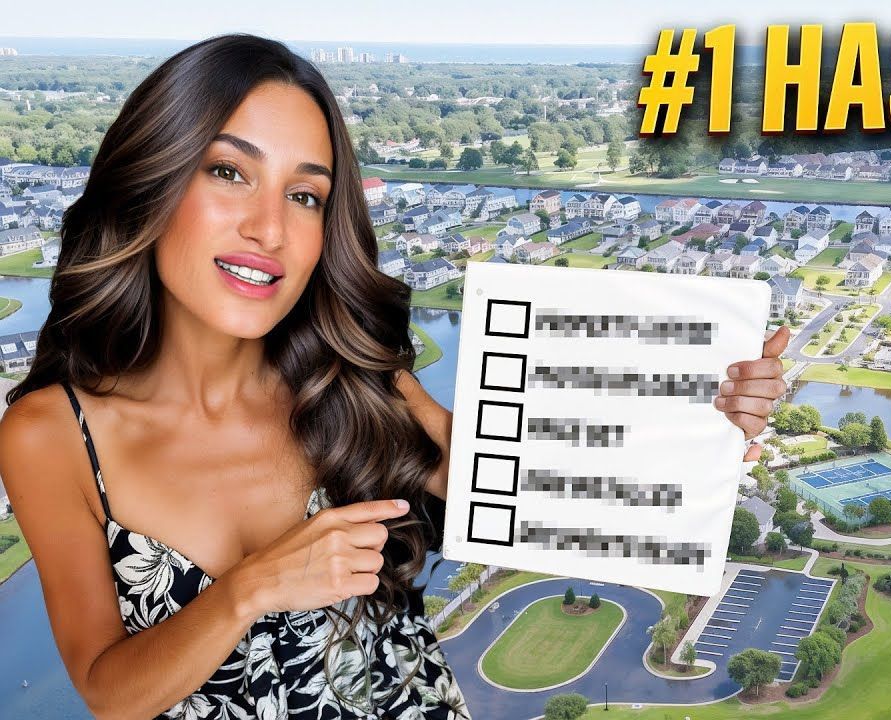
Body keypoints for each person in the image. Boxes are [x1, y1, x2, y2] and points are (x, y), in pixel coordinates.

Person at [0, 32, 790, 720]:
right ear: (151, 180)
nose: (269, 228)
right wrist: (251, 587)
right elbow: (109, 691)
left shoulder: (355, 381)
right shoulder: (51, 433)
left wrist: (707, 422)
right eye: (229, 173)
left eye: (306, 195)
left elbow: (586, 505)